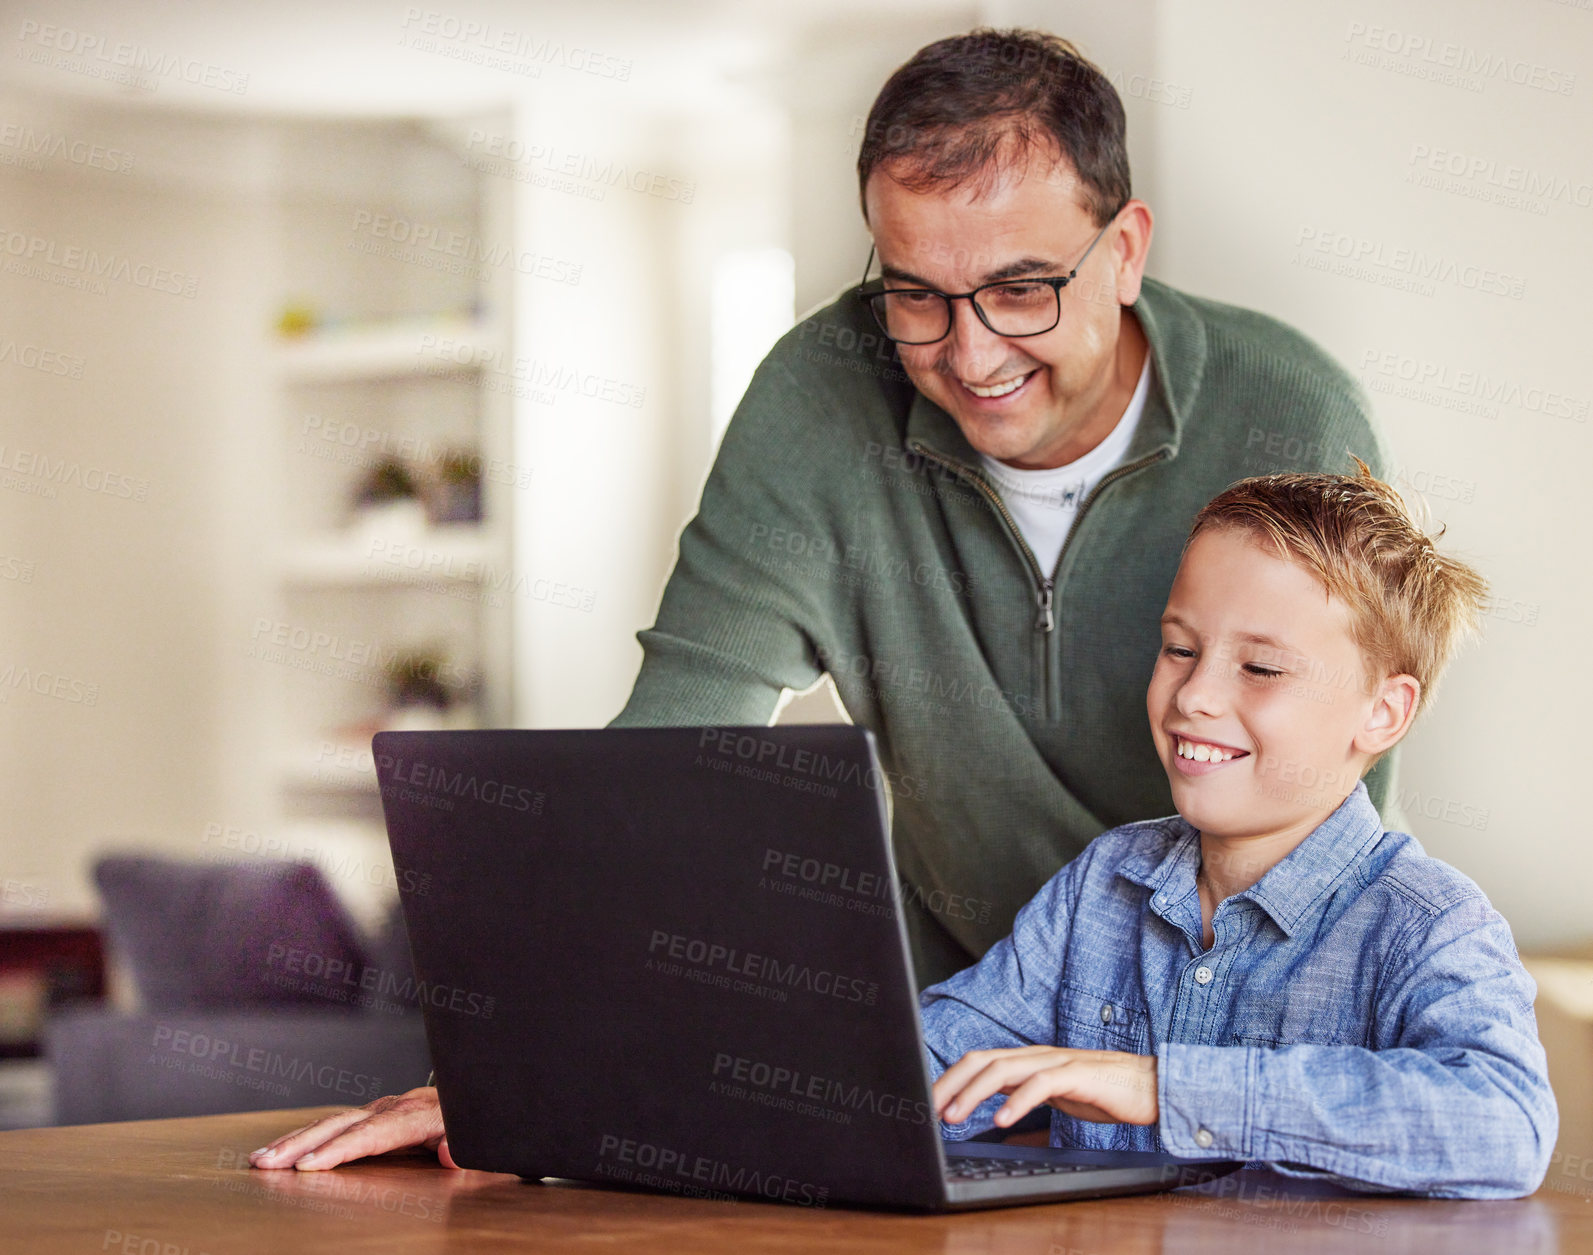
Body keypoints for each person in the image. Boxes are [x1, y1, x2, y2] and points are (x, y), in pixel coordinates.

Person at [252, 26, 1404, 1172]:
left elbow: (1334, 830)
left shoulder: (1291, 415)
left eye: (1019, 289)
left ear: (1125, 249)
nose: (971, 353)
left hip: (1252, 1086)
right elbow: (671, 762)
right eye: (917, 295)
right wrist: (535, 1055)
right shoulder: (817, 402)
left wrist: (1200, 1094)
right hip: (964, 1071)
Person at [925, 462, 1556, 1196]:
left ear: (1381, 711)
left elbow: (1503, 1123)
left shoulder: (1428, 923)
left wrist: (1169, 1088)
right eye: (1180, 649)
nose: (1193, 695)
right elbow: (932, 1065)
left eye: (1259, 667)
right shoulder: (1101, 883)